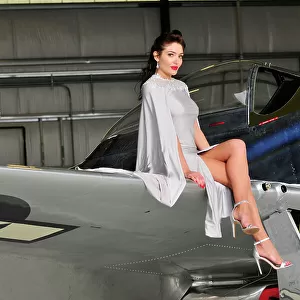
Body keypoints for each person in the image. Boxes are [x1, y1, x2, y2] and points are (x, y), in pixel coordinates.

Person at [135, 29, 292, 274]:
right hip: (172, 158)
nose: (177, 61)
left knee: (237, 148)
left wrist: (213, 152)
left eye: (181, 56)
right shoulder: (152, 88)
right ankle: (264, 244)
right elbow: (167, 133)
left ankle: (245, 215)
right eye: (171, 54)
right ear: (157, 56)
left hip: (194, 154)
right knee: (242, 181)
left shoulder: (180, 87)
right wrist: (185, 169)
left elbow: (194, 128)